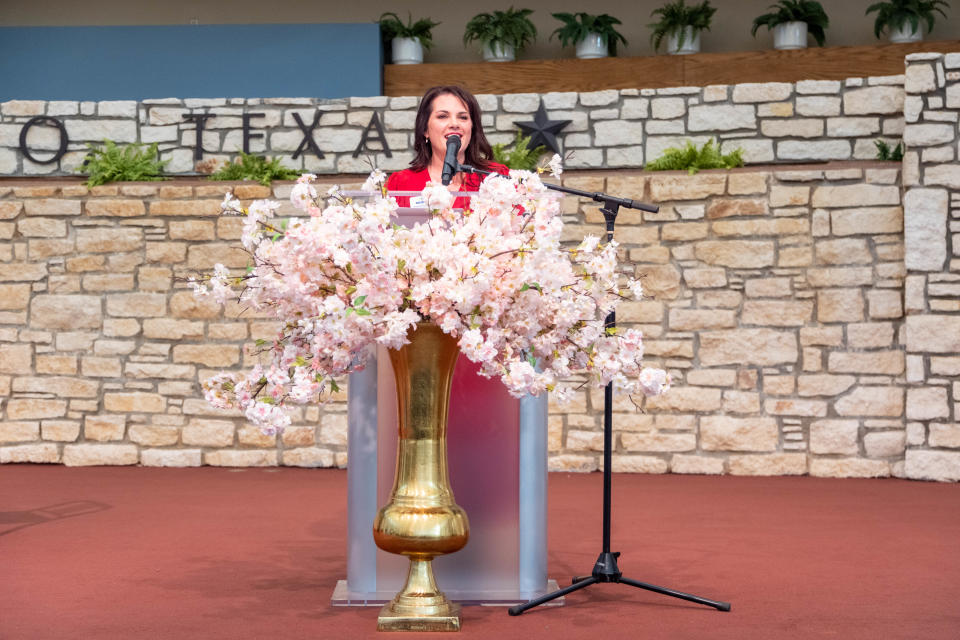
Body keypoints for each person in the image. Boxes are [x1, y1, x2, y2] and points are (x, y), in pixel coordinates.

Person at [386, 85, 509, 209]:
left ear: (472, 128)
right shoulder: (400, 183)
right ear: (425, 129)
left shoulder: (496, 177)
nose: (454, 124)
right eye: (442, 116)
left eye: (463, 117)